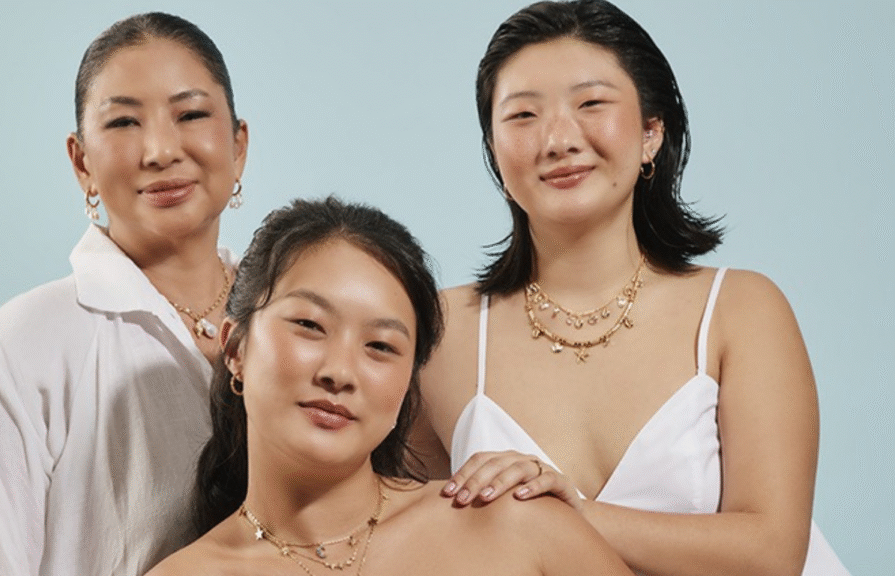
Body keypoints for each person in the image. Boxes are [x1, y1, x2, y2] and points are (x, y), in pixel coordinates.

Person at [415, 1, 850, 575]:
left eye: (591, 104)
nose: (558, 139)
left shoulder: (740, 310)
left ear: (651, 133)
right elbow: (408, 536)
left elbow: (772, 554)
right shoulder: (441, 331)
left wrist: (569, 514)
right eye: (522, 115)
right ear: (494, 150)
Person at [0, 12, 248, 576]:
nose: (161, 150)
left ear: (238, 145)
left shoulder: (297, 322)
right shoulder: (18, 348)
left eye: (190, 114)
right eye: (124, 123)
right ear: (81, 162)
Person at [146, 196, 632, 576]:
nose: (340, 372)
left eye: (380, 346)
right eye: (310, 325)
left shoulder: (514, 522)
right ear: (235, 349)